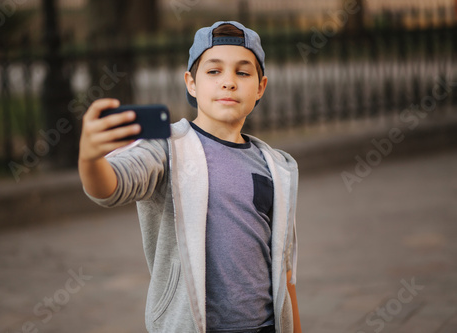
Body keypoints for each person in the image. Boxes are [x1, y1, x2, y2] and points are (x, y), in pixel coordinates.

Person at [78, 21, 301, 333]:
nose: (228, 82)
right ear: (191, 83)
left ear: (260, 86)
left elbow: (284, 269)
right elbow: (111, 187)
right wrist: (90, 158)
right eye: (214, 71)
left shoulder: (276, 167)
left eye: (242, 72)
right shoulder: (168, 148)